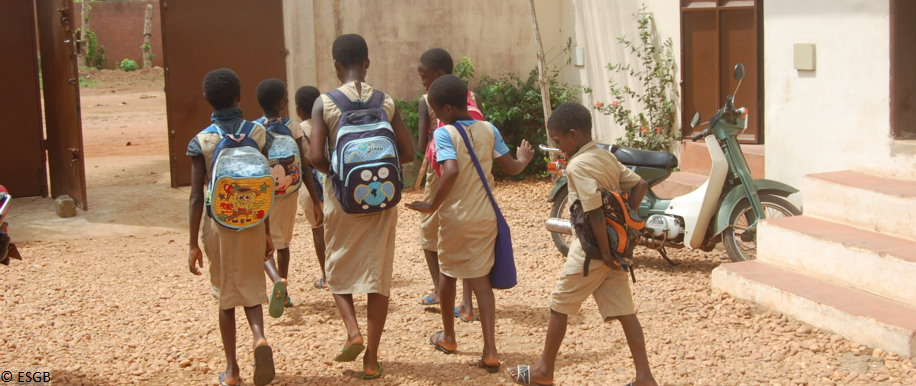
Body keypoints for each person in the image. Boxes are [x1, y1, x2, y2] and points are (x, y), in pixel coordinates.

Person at [505, 102, 656, 386]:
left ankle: (544, 371)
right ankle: (645, 377)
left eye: (559, 141)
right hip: (611, 250)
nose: (559, 147)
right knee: (625, 312)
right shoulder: (604, 156)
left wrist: (606, 250)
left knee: (558, 305)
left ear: (573, 135)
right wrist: (625, 224)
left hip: (590, 251)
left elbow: (594, 212)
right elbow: (640, 185)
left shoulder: (577, 165)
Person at [407, 74, 533, 374]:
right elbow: (512, 168)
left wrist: (431, 204)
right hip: (485, 216)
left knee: (448, 275)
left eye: (436, 110)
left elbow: (450, 171)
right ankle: (490, 351)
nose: (435, 115)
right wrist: (524, 158)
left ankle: (449, 337)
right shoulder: (489, 129)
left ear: (448, 109)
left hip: (457, 217)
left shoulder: (443, 133)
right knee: (481, 281)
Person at [308, 33, 415, 380]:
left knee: (336, 266)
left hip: (342, 199)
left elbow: (314, 156)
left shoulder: (325, 103)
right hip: (382, 198)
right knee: (377, 277)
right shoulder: (386, 102)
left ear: (336, 65)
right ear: (367, 63)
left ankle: (352, 330)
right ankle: (371, 358)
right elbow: (409, 153)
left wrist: (340, 177)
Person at [186, 68, 276, 386]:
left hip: (219, 226)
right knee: (251, 288)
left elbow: (197, 196)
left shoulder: (203, 141)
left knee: (226, 296)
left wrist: (192, 244)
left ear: (207, 99)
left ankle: (233, 370)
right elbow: (265, 186)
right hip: (252, 222)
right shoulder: (259, 133)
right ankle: (259, 337)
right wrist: (266, 232)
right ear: (239, 96)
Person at [415, 48, 481, 324]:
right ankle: (466, 301)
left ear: (437, 75)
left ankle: (440, 290)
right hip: (469, 175)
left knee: (428, 234)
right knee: (464, 236)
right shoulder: (471, 97)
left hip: (441, 171)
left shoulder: (426, 101)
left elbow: (421, 145)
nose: (421, 81)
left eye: (423, 76)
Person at [254, 78, 323, 318]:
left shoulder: (254, 129)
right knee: (283, 244)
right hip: (289, 193)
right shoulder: (293, 127)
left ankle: (275, 281)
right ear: (283, 102)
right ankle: (283, 286)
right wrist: (315, 200)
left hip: (263, 194)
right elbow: (304, 166)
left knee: (263, 243)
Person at [293, 85, 329, 291]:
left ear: (298, 109)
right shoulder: (326, 124)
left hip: (310, 188)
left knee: (318, 230)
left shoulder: (298, 129)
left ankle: (326, 276)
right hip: (330, 181)